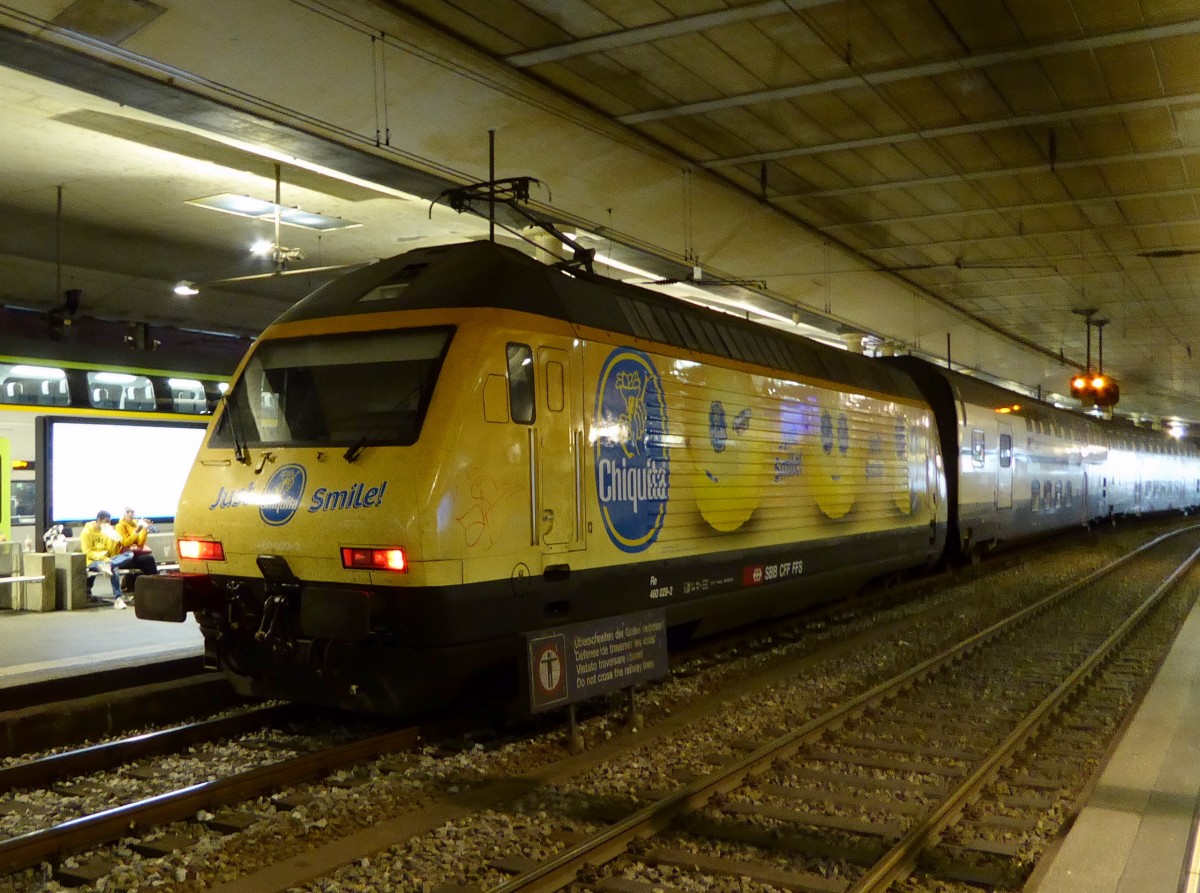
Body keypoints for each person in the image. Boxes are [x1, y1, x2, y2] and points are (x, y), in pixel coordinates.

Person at [80, 510, 135, 609]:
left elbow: (110, 551)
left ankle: (109, 565)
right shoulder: (86, 532)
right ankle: (118, 598)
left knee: (129, 554)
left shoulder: (105, 532)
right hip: (92, 561)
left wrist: (112, 538)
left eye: (109, 522)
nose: (108, 524)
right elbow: (87, 552)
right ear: (99, 520)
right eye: (106, 521)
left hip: (106, 560)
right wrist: (102, 557)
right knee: (114, 568)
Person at [115, 506, 159, 591]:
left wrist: (144, 529)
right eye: (128, 512)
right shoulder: (119, 526)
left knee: (148, 559)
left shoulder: (136, 525)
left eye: (132, 512)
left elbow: (140, 543)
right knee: (146, 560)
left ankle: (152, 585)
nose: (130, 514)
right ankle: (153, 585)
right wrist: (136, 531)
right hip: (124, 556)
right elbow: (125, 543)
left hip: (136, 554)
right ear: (123, 514)